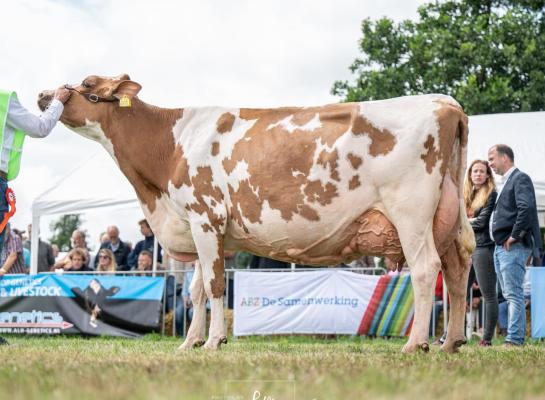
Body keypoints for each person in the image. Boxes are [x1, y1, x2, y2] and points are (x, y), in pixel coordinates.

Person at [488, 144, 542, 346]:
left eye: (492, 158)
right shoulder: (506, 182)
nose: (490, 163)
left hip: (512, 246)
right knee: (509, 293)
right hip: (500, 247)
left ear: (505, 158)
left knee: (513, 294)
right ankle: (514, 337)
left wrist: (515, 235)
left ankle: (515, 339)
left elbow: (526, 208)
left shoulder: (520, 178)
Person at [463, 159, 498, 346]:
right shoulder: (465, 194)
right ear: (470, 174)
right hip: (465, 247)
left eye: (482, 171)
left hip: (483, 247)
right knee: (459, 292)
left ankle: (487, 339)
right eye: (475, 171)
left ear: (487, 175)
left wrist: (461, 223)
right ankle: (452, 335)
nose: (478, 174)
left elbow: (483, 222)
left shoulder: (491, 194)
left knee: (488, 294)